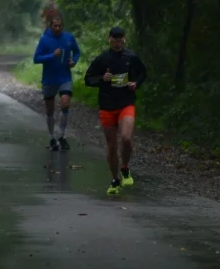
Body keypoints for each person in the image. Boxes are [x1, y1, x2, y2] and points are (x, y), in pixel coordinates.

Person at [84, 26, 147, 195]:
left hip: (126, 103)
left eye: (120, 40)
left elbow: (143, 72)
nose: (117, 43)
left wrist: (136, 84)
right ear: (109, 39)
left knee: (126, 138)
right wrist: (101, 79)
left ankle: (125, 167)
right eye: (114, 40)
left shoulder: (131, 57)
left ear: (124, 40)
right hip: (107, 106)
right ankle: (115, 179)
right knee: (112, 145)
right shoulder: (102, 59)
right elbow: (88, 79)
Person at [33, 15, 81, 151]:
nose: (58, 28)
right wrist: (51, 56)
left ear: (63, 26)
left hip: (65, 78)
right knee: (50, 110)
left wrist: (74, 61)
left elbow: (77, 52)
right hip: (49, 79)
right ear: (51, 26)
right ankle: (51, 137)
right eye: (55, 26)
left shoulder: (69, 38)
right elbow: (36, 58)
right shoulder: (45, 39)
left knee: (65, 103)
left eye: (60, 26)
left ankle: (62, 135)